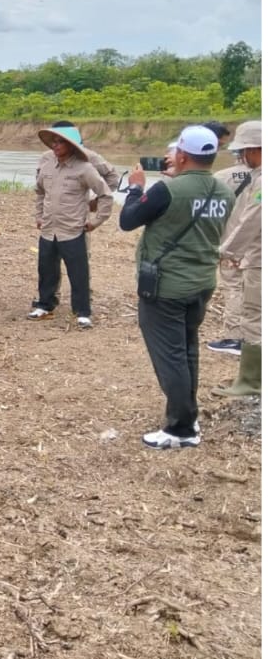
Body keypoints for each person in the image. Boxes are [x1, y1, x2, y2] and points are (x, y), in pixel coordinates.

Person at [120, 125, 235, 448]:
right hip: (201, 282)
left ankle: (181, 428)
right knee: (187, 350)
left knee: (170, 356)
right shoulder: (224, 191)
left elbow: (127, 220)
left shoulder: (166, 191)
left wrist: (135, 188)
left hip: (166, 285)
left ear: (182, 156)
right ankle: (188, 414)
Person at [29, 124, 113, 327]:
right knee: (46, 269)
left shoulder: (84, 168)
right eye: (53, 142)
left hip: (73, 229)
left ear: (71, 145)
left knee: (78, 273)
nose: (55, 146)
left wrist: (95, 221)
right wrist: (39, 215)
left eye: (59, 142)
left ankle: (83, 312)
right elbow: (40, 192)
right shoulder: (48, 166)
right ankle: (45, 305)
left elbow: (105, 194)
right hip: (49, 229)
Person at [213, 120, 261, 401]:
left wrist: (226, 251)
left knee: (254, 316)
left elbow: (250, 221)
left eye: (245, 152)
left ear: (255, 149)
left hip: (259, 259)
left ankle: (251, 381)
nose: (243, 158)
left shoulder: (262, 180)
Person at [208, 126, 256, 355]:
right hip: (254, 245)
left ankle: (234, 336)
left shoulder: (221, 177)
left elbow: (210, 210)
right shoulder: (256, 176)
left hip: (234, 240)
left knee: (234, 287)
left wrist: (225, 250)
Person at [48, 120, 121, 190]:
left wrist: (98, 199)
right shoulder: (47, 158)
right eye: (54, 141)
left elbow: (112, 175)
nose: (55, 145)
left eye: (61, 141)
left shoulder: (88, 156)